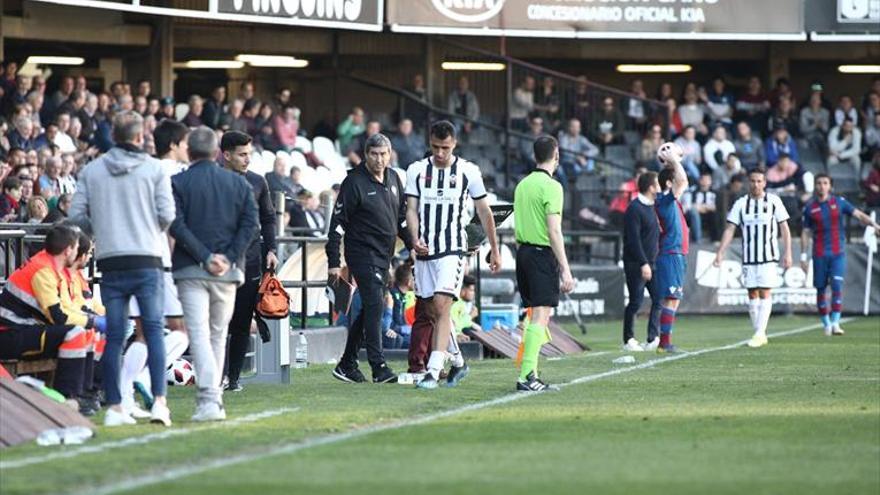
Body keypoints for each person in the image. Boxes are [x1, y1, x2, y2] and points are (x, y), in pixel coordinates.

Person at [69, 110, 175, 427]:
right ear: (140, 136)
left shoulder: (92, 170)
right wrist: (145, 227)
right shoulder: (154, 168)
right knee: (154, 331)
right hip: (147, 257)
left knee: (115, 335)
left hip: (112, 259)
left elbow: (76, 217)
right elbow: (167, 215)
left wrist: (103, 226)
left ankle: (115, 406)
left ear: (113, 136)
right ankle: (159, 403)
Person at [169, 127, 258, 421]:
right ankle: (213, 398)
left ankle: (209, 399)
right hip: (227, 271)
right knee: (218, 335)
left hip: (192, 268)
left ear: (190, 151)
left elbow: (176, 225)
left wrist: (206, 257)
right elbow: (250, 225)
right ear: (217, 152)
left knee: (200, 334)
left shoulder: (178, 182)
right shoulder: (238, 184)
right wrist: (228, 258)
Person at [406, 120, 501, 390]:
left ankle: (433, 372)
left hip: (452, 248)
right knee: (432, 311)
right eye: (435, 147)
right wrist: (414, 239)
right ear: (429, 143)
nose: (439, 153)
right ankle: (458, 362)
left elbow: (484, 212)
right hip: (425, 250)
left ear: (454, 144)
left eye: (445, 148)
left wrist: (494, 249)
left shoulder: (468, 172)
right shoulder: (416, 170)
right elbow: (411, 210)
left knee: (441, 304)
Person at [327, 133, 412, 384]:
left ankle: (346, 364)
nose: (379, 159)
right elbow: (337, 224)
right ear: (366, 155)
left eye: (383, 154)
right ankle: (379, 366)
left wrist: (413, 246)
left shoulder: (395, 178)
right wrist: (334, 260)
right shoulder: (353, 182)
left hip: (384, 254)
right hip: (361, 253)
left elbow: (402, 220)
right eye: (374, 154)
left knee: (371, 307)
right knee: (375, 302)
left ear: (390, 154)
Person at [0, 225, 104, 408]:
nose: (79, 252)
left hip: (22, 329)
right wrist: (93, 321)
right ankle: (67, 397)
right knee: (75, 333)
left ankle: (86, 393)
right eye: (77, 246)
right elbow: (59, 317)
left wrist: (93, 321)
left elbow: (68, 309)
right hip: (8, 334)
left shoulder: (52, 268)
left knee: (87, 333)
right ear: (68, 250)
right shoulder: (43, 271)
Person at [511, 135, 573, 391]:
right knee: (540, 316)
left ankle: (530, 371)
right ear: (556, 155)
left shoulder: (522, 185)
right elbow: (554, 230)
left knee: (534, 315)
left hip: (522, 252)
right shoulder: (553, 186)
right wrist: (565, 269)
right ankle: (526, 375)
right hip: (540, 254)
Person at [220, 131, 278, 393]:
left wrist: (272, 248)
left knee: (242, 322)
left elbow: (268, 218)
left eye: (249, 154)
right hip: (220, 263)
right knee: (218, 323)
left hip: (252, 262)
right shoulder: (215, 181)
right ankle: (216, 376)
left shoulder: (258, 182)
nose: (247, 160)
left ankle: (233, 378)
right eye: (242, 155)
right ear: (226, 155)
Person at [714, 167, 792, 348]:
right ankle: (759, 332)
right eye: (753, 181)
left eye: (759, 181)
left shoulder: (773, 201)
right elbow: (730, 229)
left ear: (764, 183)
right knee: (752, 293)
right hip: (749, 257)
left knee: (765, 291)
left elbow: (784, 228)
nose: (756, 184)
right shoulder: (741, 204)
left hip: (769, 257)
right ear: (748, 183)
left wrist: (788, 252)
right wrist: (720, 251)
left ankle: (759, 332)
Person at [800, 174, 880, 336]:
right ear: (815, 186)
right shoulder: (810, 208)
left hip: (837, 254)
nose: (822, 186)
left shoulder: (839, 202)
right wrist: (803, 256)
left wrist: (874, 224)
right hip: (819, 254)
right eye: (819, 183)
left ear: (830, 186)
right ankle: (826, 324)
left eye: (825, 183)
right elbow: (805, 233)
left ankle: (835, 322)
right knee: (821, 289)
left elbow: (858, 214)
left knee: (837, 287)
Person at [653, 147, 690, 353]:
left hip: (677, 253)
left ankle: (664, 342)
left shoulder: (669, 201)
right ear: (669, 183)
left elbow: (683, 182)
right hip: (671, 253)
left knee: (673, 300)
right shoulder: (664, 200)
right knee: (671, 299)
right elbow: (683, 181)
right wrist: (675, 160)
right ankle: (663, 343)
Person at [621, 171, 661, 352]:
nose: (660, 187)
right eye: (658, 183)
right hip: (636, 263)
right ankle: (628, 339)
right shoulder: (634, 208)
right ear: (651, 187)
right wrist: (643, 263)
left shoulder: (653, 206)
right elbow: (633, 240)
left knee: (658, 299)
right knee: (636, 301)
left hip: (652, 262)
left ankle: (653, 337)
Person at [683, 173, 719, 242]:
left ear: (711, 181)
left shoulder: (715, 193)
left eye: (707, 180)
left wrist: (702, 207)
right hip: (694, 214)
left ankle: (716, 239)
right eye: (703, 180)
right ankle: (697, 239)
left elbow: (715, 206)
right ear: (700, 181)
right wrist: (703, 207)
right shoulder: (692, 191)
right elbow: (688, 206)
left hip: (709, 213)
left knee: (716, 213)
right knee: (693, 212)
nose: (705, 182)